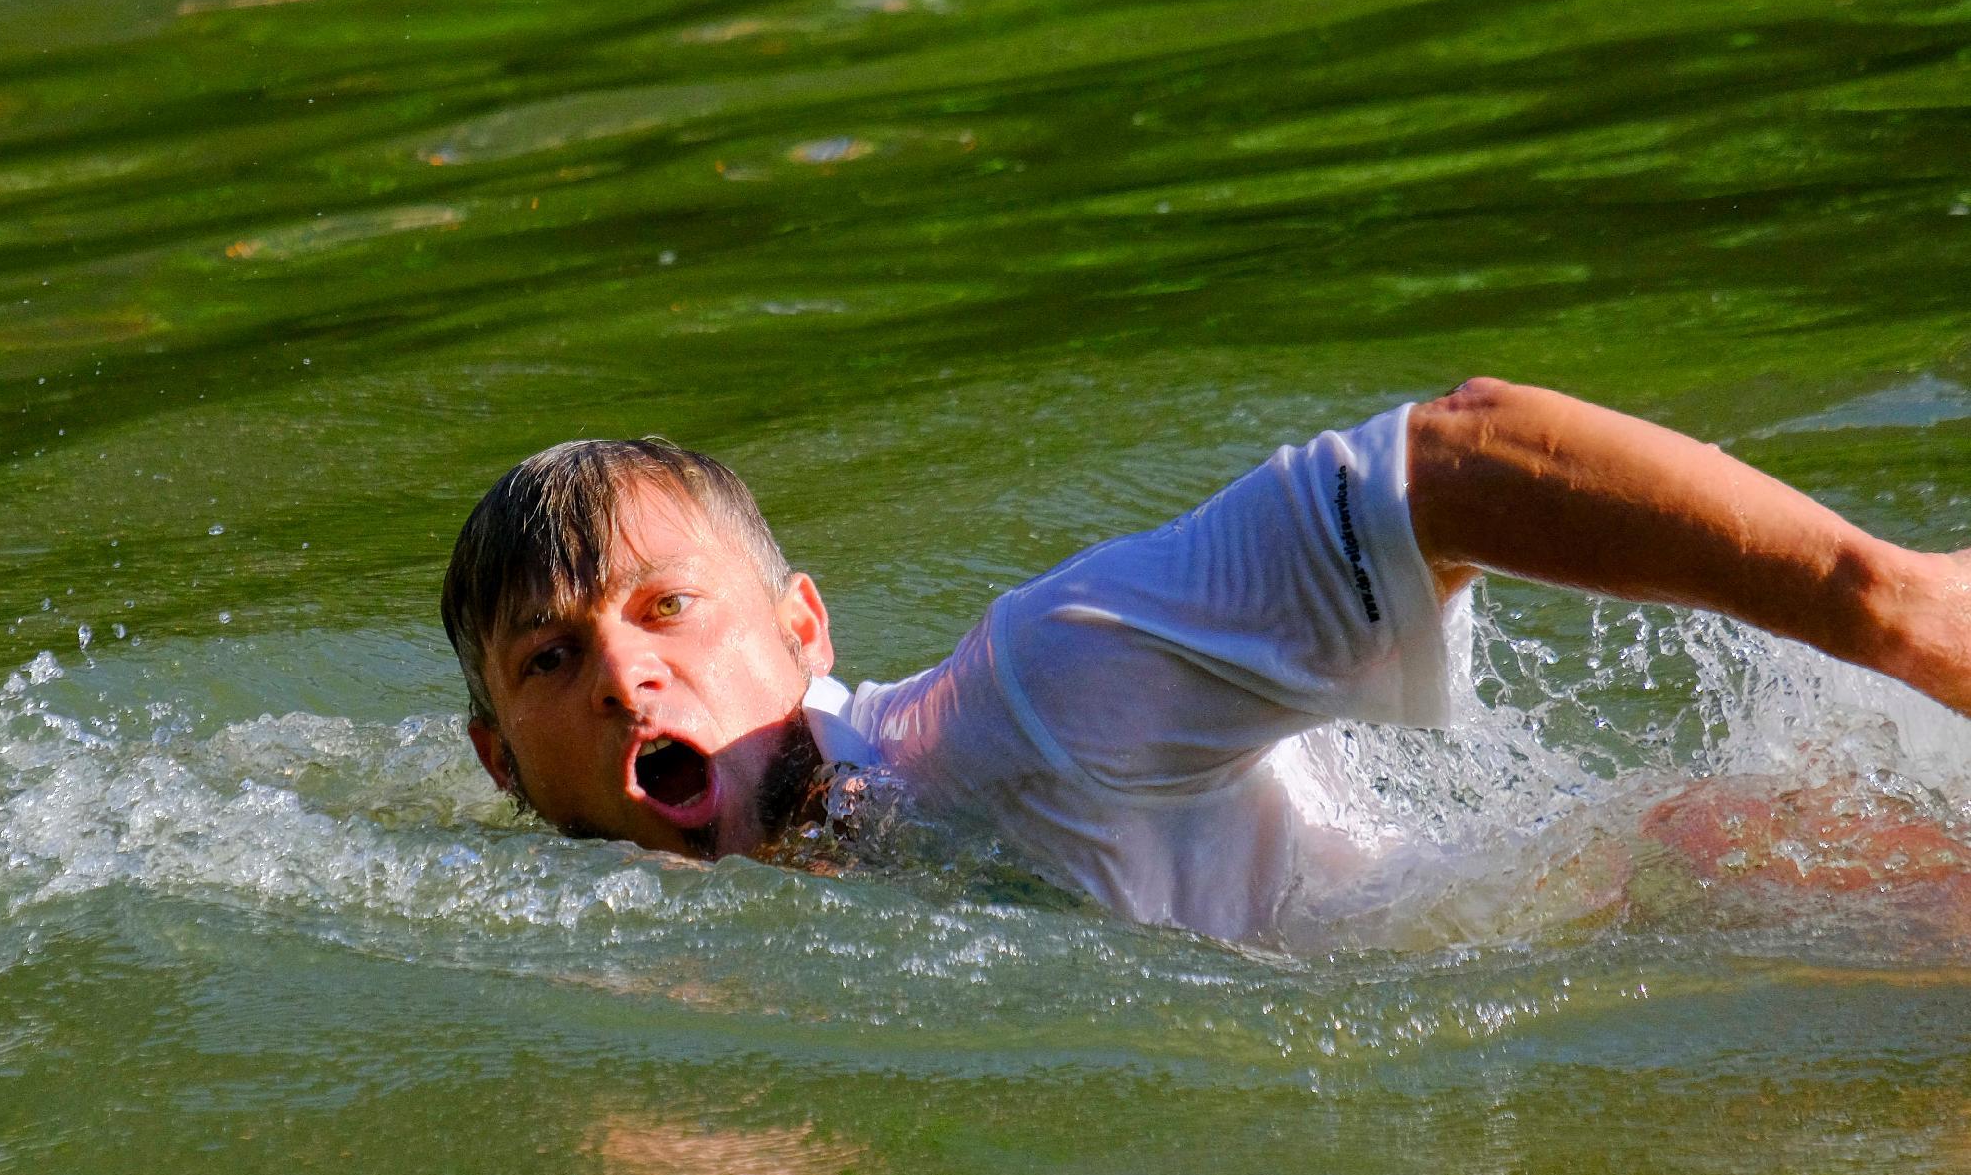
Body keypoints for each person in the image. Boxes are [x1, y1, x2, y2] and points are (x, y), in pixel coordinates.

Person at [438, 379, 1971, 941]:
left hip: (1729, 920)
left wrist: (1890, 602)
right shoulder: (593, 928)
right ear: (501, 763)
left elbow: (1458, 458)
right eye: (553, 660)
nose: (628, 682)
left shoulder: (1028, 705)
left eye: (667, 608)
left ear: (803, 629)